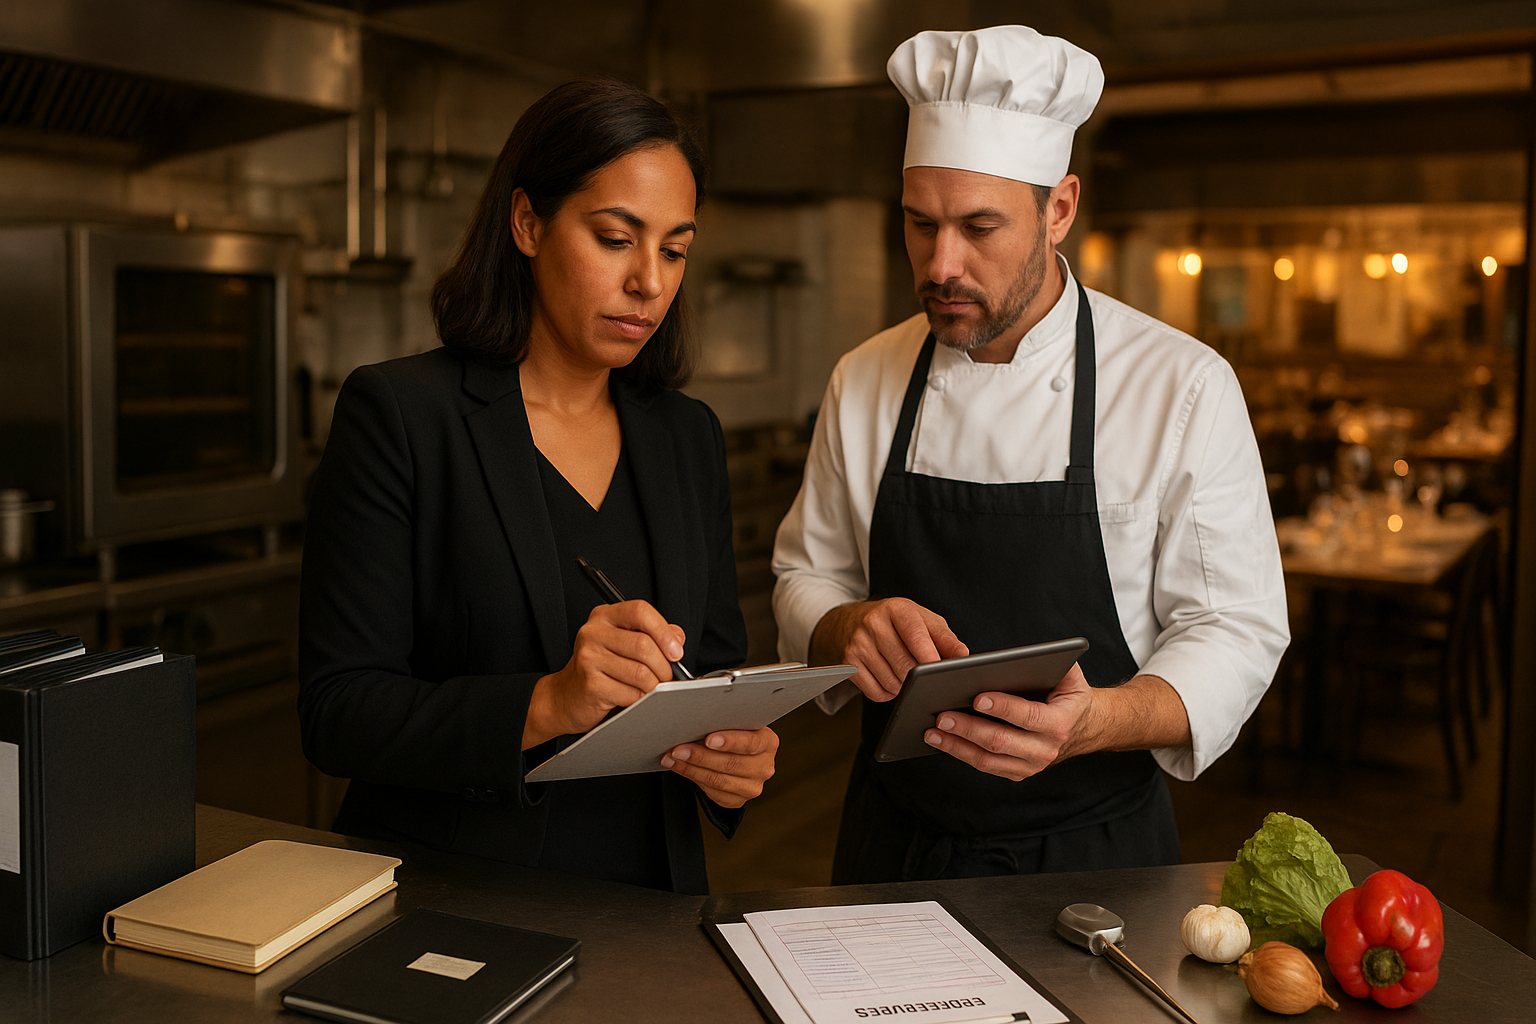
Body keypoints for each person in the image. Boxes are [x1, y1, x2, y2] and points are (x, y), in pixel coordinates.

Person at [772, 26, 1289, 883]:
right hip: (893, 846)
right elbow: (804, 578)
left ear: (1059, 208)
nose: (941, 264)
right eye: (919, 224)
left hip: (1096, 855)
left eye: (979, 227)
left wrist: (1097, 721)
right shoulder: (864, 378)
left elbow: (1234, 629)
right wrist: (846, 624)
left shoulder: (1182, 385)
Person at [299, 78, 777, 895]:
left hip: (650, 910)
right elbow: (339, 712)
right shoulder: (403, 415)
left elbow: (715, 673)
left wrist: (733, 759)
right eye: (616, 238)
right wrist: (549, 702)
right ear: (528, 222)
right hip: (451, 898)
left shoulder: (686, 435)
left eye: (674, 249)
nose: (650, 283)